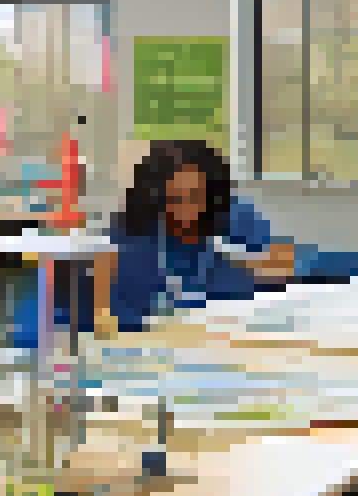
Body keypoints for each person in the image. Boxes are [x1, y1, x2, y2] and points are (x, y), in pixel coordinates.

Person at [19, 138, 301, 343]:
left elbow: (282, 262)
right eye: (174, 197)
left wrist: (248, 269)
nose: (185, 208)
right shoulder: (131, 242)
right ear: (154, 194)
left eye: (195, 196)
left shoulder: (225, 220)